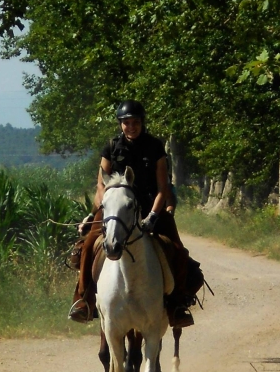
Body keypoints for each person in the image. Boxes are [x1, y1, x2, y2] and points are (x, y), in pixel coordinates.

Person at [68, 100, 198, 328]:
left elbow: (162, 187)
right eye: (126, 123)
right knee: (88, 245)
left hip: (149, 206)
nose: (131, 127)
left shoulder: (154, 147)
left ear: (141, 123)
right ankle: (83, 300)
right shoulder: (111, 147)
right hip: (116, 209)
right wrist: (97, 211)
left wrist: (154, 216)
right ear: (121, 124)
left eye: (135, 122)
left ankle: (177, 304)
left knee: (177, 249)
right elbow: (101, 184)